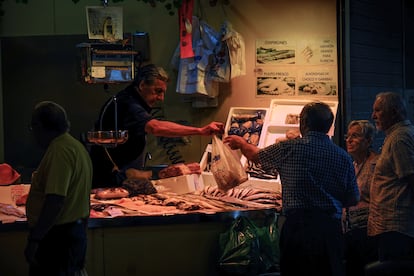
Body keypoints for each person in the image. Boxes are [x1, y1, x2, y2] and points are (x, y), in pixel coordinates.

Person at [224, 101, 360, 276]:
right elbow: (353, 199)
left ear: (303, 123)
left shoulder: (289, 148)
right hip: (329, 230)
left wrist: (242, 143)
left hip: (298, 229)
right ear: (329, 126)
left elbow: (256, 156)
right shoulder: (343, 157)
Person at [89, 64, 224, 188]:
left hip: (124, 174)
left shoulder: (132, 100)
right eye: (158, 91)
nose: (161, 98)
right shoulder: (129, 104)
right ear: (142, 85)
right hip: (110, 180)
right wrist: (200, 131)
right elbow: (155, 127)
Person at [24, 101, 93, 275]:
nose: (33, 135)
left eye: (33, 128)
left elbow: (55, 200)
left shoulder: (59, 150)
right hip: (74, 233)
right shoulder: (76, 147)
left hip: (57, 239)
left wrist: (35, 238)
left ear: (40, 126)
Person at [367, 92, 414, 264]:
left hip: (396, 227)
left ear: (394, 112)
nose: (373, 116)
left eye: (378, 111)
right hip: (392, 227)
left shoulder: (399, 138)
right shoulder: (397, 135)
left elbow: (411, 177)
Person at [343, 120, 379, 276]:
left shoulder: (376, 164)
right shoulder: (352, 164)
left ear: (368, 140)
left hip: (367, 231)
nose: (349, 140)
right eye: (348, 136)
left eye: (355, 136)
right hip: (351, 230)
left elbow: (378, 200)